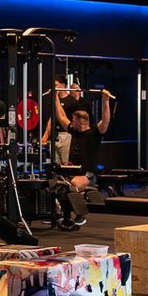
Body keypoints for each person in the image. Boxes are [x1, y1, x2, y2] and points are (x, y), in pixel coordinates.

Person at [50, 89, 111, 227]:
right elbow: (61, 116)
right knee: (53, 185)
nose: (71, 122)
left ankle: (80, 213)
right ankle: (61, 214)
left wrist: (105, 100)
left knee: (73, 184)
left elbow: (105, 121)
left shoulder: (94, 133)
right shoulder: (74, 131)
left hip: (88, 175)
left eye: (73, 120)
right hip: (72, 173)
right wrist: (55, 97)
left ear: (81, 121)